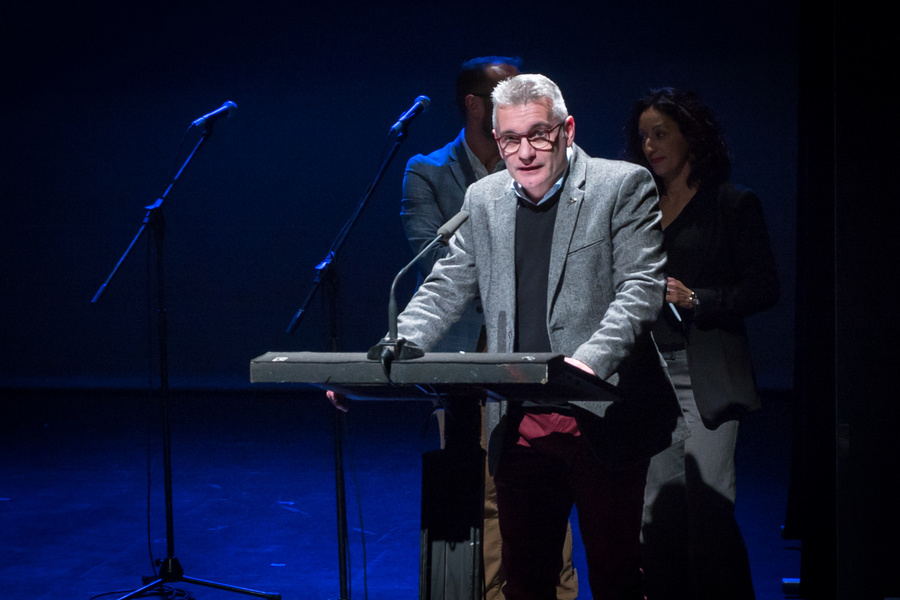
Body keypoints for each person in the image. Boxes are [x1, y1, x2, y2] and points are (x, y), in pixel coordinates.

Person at [387, 73, 684, 600]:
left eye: (538, 135)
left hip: (602, 413)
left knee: (615, 574)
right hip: (520, 419)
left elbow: (641, 288)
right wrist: (397, 345)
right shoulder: (484, 198)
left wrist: (589, 362)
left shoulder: (621, 185)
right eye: (509, 140)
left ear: (567, 129)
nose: (524, 152)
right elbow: (446, 286)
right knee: (526, 579)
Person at [401, 56, 578, 600]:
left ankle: (555, 588)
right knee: (484, 490)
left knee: (549, 481)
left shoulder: (544, 167)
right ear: (476, 105)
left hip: (537, 348)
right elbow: (438, 269)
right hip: (463, 357)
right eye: (504, 94)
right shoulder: (430, 171)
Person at [624, 87, 780, 600]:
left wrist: (698, 298)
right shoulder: (639, 205)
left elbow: (765, 287)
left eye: (661, 133)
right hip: (652, 378)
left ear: (691, 135)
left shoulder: (731, 203)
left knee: (708, 517)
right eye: (643, 136)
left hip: (706, 376)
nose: (649, 145)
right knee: (656, 518)